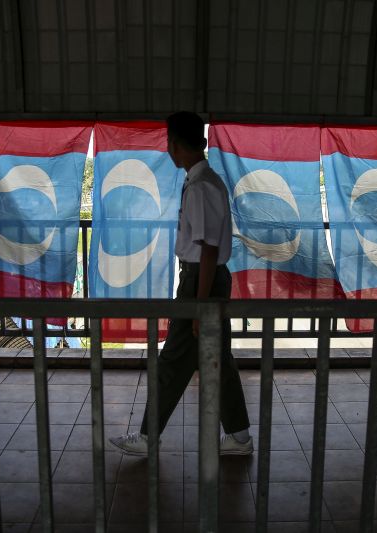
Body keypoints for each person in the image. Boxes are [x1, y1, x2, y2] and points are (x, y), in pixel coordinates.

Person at [110, 111, 253, 456]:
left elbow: (208, 250)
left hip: (200, 282)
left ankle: (148, 437)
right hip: (206, 280)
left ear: (173, 145)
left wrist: (198, 306)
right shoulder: (204, 181)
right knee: (218, 360)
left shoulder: (201, 187)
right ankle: (239, 437)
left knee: (173, 361)